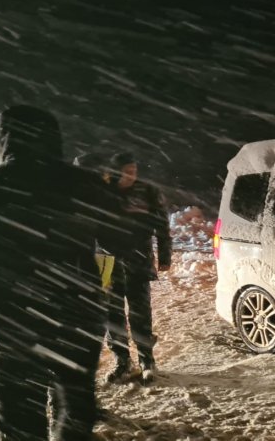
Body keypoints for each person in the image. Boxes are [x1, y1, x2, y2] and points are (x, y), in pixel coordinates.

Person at [0, 105, 116, 440]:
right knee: (75, 414)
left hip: (11, 329)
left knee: (19, 423)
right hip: (78, 323)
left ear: (2, 140)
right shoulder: (89, 186)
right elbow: (119, 240)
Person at [104, 151, 172, 384]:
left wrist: (165, 255)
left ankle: (147, 360)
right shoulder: (103, 190)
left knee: (140, 313)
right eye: (127, 172)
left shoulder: (148, 192)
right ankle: (122, 361)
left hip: (138, 259)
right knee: (112, 314)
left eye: (134, 171)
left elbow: (162, 225)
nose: (132, 176)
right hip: (107, 262)